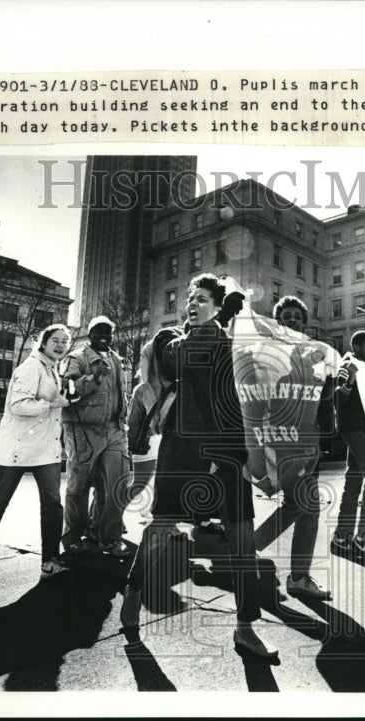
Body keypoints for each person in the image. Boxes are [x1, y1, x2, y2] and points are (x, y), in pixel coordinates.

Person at [121, 273, 277, 660]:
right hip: (182, 454)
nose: (194, 303)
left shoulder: (233, 346)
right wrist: (217, 323)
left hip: (226, 456)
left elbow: (246, 399)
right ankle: (133, 595)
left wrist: (246, 456)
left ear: (218, 304)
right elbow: (182, 360)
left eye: (204, 299)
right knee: (159, 530)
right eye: (191, 298)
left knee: (242, 544)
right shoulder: (173, 341)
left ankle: (245, 629)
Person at [0, 324, 73, 580]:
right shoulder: (31, 366)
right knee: (0, 500)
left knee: (52, 504)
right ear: (43, 342)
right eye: (55, 340)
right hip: (18, 446)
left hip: (46, 449)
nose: (60, 345)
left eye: (65, 340)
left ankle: (50, 561)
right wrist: (52, 404)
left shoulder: (52, 369)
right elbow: (19, 405)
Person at [252, 296, 334, 599]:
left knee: (299, 507)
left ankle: (246, 547)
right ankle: (297, 576)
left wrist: (336, 383)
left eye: (297, 317)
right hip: (283, 439)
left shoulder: (315, 353)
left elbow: (323, 397)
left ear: (305, 322)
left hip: (309, 438)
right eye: (286, 317)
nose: (293, 321)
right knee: (307, 507)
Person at [60, 316, 131, 557]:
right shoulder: (77, 358)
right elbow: (65, 391)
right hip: (83, 432)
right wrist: (93, 378)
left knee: (117, 486)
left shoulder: (117, 359)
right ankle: (73, 538)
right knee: (78, 488)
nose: (104, 335)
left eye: (108, 331)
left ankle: (108, 538)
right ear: (89, 334)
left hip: (115, 431)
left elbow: (122, 394)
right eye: (98, 331)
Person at [329, 331, 365, 566]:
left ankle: (341, 537)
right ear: (355, 346)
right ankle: (362, 537)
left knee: (353, 484)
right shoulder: (347, 365)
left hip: (363, 427)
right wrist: (350, 380)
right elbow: (337, 400)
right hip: (352, 427)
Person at [125, 327, 180, 517]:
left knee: (166, 484)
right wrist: (133, 446)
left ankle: (159, 516)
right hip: (148, 444)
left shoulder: (181, 383)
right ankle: (108, 516)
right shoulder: (143, 389)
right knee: (138, 485)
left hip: (170, 445)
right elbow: (133, 421)